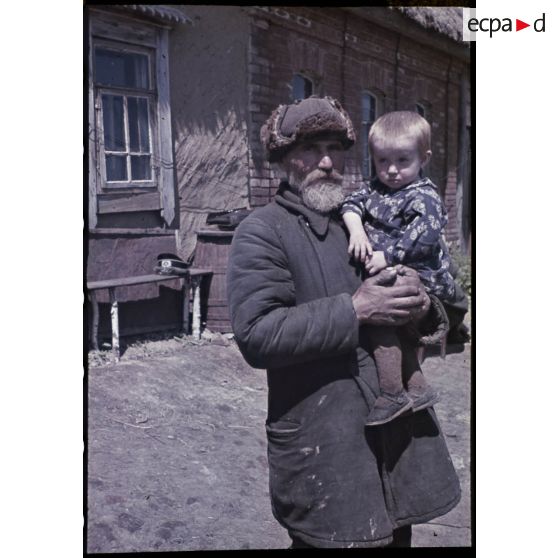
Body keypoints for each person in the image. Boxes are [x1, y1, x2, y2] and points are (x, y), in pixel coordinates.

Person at [226, 96, 460, 548]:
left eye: (335, 148)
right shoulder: (263, 230)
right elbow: (257, 333)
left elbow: (438, 311)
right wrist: (355, 310)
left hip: (397, 441)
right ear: (282, 160)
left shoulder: (367, 219)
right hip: (327, 449)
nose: (327, 162)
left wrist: (420, 305)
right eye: (310, 149)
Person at [340, 110, 457, 426]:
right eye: (382, 161)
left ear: (423, 158)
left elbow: (425, 237)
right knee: (396, 330)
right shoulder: (375, 189)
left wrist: (388, 256)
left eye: (402, 160)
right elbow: (350, 204)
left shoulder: (424, 196)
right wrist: (357, 231)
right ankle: (418, 389)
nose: (391, 170)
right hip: (391, 269)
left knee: (380, 321)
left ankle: (392, 394)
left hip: (421, 275)